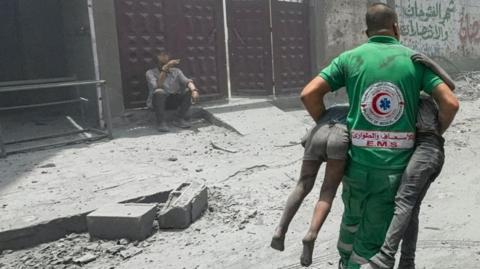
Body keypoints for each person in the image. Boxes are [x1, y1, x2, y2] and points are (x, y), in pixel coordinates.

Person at [300, 3, 458, 268]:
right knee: (371, 245)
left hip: (355, 166)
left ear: (366, 32)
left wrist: (331, 126)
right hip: (393, 171)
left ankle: (344, 262)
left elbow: (309, 94)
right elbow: (450, 103)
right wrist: (431, 134)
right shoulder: (413, 61)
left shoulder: (349, 58)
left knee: (351, 223)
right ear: (396, 27)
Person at [361, 55, 458, 269]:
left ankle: (384, 259)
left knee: (403, 201)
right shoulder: (413, 96)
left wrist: (429, 63)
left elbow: (450, 89)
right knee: (411, 209)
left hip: (426, 149)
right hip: (432, 152)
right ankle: (407, 263)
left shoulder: (419, 96)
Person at [270, 105, 349, 268]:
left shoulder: (331, 109)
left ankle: (280, 230)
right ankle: (311, 235)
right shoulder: (356, 111)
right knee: (328, 190)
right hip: (340, 137)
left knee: (302, 184)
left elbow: (304, 140)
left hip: (317, 134)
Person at [146, 50, 200, 132]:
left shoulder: (176, 71)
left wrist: (194, 90)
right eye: (162, 55)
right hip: (158, 102)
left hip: (172, 100)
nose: (165, 57)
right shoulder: (150, 73)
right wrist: (165, 69)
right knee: (159, 92)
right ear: (156, 59)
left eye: (166, 55)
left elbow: (187, 81)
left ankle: (179, 119)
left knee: (188, 90)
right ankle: (161, 122)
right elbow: (158, 86)